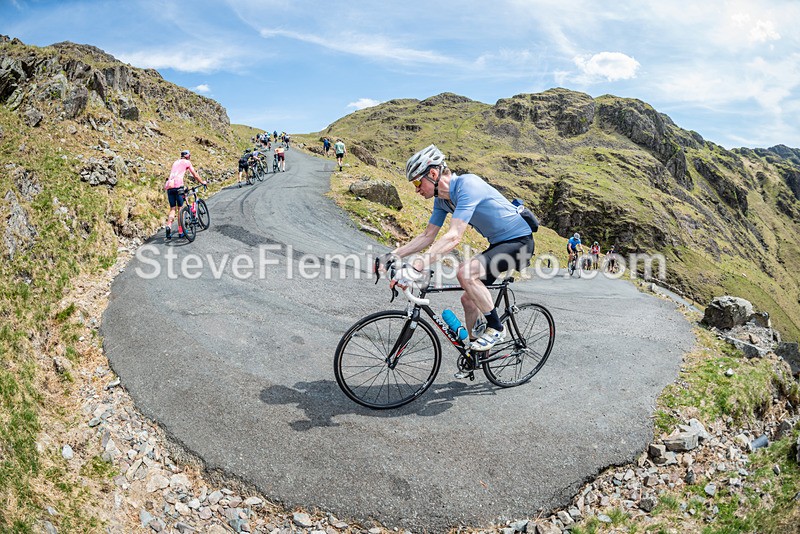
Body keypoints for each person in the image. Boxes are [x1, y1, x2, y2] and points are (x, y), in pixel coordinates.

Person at [377, 144, 534, 376]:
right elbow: (427, 235)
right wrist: (393, 255)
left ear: (432, 174)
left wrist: (415, 266)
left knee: (465, 273)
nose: (416, 190)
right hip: (499, 244)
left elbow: (453, 236)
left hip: (519, 242)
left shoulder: (468, 185)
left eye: (417, 183)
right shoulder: (441, 200)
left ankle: (496, 327)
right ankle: (475, 354)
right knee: (469, 299)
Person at [163, 150, 206, 239]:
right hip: (178, 186)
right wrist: (202, 182)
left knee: (172, 209)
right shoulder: (187, 162)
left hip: (170, 186)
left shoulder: (175, 162)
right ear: (188, 156)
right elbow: (194, 174)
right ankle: (180, 231)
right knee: (180, 209)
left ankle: (169, 226)